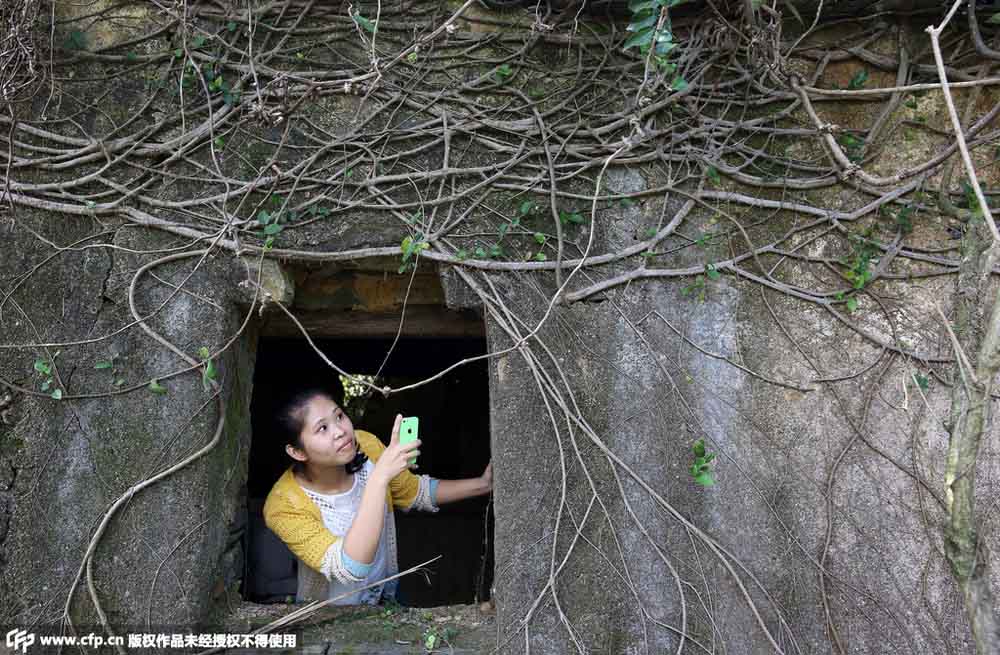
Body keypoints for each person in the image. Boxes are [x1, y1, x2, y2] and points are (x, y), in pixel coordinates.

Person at [263, 386, 492, 605]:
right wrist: (379, 478)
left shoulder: (366, 445)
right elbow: (350, 569)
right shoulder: (283, 505)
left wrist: (483, 484)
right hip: (328, 617)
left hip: (386, 594)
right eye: (323, 428)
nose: (341, 431)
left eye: (340, 416)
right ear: (297, 451)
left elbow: (415, 493)